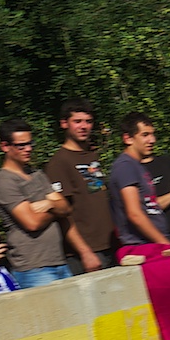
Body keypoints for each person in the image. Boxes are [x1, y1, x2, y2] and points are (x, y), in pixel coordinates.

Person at [0, 118, 73, 288]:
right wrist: (53, 204)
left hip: (59, 261)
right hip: (34, 268)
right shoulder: (4, 182)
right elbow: (32, 223)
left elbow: (65, 208)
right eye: (21, 145)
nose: (28, 149)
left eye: (30, 143)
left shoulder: (37, 174)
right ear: (5, 147)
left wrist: (48, 205)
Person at [44, 99, 115, 275]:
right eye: (77, 121)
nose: (84, 126)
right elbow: (62, 215)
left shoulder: (93, 155)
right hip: (85, 252)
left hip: (111, 244)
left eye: (88, 121)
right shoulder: (59, 162)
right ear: (64, 124)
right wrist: (85, 252)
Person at [109, 113, 170, 246]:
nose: (152, 140)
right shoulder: (125, 166)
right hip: (142, 245)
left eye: (152, 134)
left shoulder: (136, 165)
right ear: (128, 138)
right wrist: (166, 245)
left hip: (153, 243)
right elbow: (134, 214)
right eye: (145, 135)